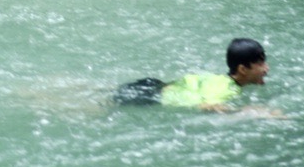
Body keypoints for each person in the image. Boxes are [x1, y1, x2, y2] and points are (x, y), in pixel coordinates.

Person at [114, 37, 270, 111]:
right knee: (102, 106)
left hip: (155, 85)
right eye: (260, 64)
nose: (266, 69)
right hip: (149, 98)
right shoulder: (228, 90)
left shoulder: (219, 79)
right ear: (242, 69)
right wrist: (251, 111)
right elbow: (207, 105)